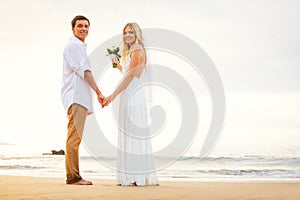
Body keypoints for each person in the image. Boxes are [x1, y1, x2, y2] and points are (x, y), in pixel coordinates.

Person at [103, 23, 159, 186]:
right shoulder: (134, 51)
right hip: (130, 92)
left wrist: (112, 96)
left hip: (132, 94)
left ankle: (135, 177)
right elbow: (127, 73)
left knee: (133, 134)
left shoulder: (137, 49)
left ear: (137, 34)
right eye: (125, 32)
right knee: (129, 133)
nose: (127, 35)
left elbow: (129, 78)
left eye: (131, 32)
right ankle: (132, 175)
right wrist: (117, 64)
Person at [61, 15, 105, 185]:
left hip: (78, 97)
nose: (84, 29)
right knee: (74, 137)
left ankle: (73, 176)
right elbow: (85, 72)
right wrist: (99, 92)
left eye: (86, 26)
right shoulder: (74, 45)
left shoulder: (80, 47)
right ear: (73, 29)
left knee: (75, 137)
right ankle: (73, 177)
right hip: (76, 97)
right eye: (80, 26)